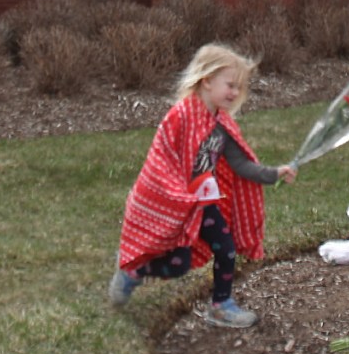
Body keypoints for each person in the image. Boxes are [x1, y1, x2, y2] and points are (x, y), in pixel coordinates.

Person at [107, 43, 297, 328]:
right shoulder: (180, 116)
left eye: (238, 88)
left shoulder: (222, 125)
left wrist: (274, 173)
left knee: (226, 248)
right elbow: (162, 159)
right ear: (207, 81)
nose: (234, 93)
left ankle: (221, 306)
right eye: (230, 85)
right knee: (178, 265)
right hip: (175, 204)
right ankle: (133, 272)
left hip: (204, 204)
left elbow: (240, 164)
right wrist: (178, 197)